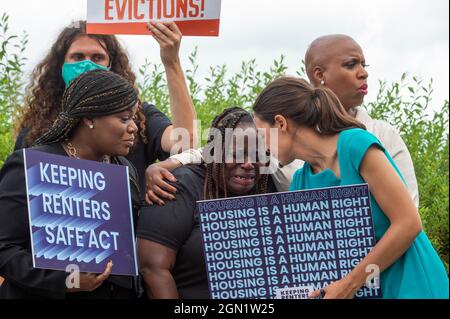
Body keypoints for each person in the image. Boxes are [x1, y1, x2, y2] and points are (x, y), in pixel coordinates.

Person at [143, 34, 419, 209]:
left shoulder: (375, 136)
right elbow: (229, 149)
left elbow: (408, 211)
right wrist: (172, 163)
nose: (363, 74)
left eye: (364, 65)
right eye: (351, 64)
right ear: (318, 74)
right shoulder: (289, 160)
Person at [252, 76, 448, 299]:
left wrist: (349, 284)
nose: (263, 148)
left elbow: (409, 224)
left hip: (412, 285)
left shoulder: (356, 145)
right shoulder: (300, 182)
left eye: (261, 135)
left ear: (280, 123)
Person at [0, 70, 141, 299]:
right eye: (124, 118)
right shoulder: (31, 166)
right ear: (89, 118)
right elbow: (5, 249)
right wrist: (66, 280)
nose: (133, 127)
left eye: (133, 118)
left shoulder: (125, 170)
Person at [15, 20, 196, 195]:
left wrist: (171, 62)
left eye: (97, 58)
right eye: (77, 57)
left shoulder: (139, 118)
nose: (87, 65)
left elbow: (185, 142)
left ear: (111, 65)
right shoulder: (35, 128)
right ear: (61, 65)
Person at [136, 107, 276, 299]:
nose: (248, 163)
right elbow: (153, 269)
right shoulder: (179, 185)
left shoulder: (270, 186)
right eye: (236, 155)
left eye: (256, 155)